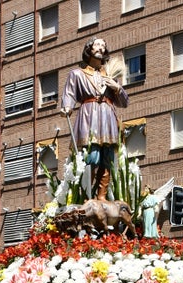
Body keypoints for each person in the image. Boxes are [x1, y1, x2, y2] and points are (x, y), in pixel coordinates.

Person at [60, 37, 129, 201]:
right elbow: (69, 93)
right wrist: (67, 107)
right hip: (88, 116)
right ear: (89, 49)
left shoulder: (110, 76)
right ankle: (85, 195)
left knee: (107, 158)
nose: (101, 48)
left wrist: (117, 88)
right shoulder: (77, 74)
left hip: (107, 117)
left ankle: (101, 196)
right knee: (92, 157)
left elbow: (124, 103)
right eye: (97, 44)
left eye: (103, 46)